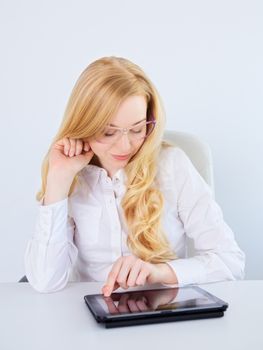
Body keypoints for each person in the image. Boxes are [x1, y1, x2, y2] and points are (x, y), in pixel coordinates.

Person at [24, 56, 245, 295]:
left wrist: (161, 272)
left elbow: (230, 261)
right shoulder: (68, 173)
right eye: (109, 132)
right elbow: (46, 281)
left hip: (163, 314)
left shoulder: (172, 165)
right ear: (83, 125)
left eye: (138, 129)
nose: (125, 146)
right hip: (90, 314)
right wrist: (58, 182)